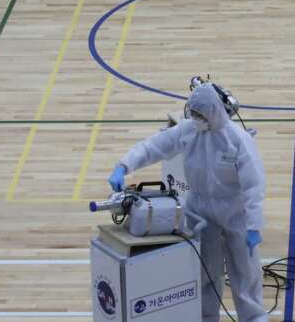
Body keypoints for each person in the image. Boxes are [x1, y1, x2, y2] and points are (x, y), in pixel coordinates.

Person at [108, 84, 267, 322]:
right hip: (200, 208)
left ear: (213, 112)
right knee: (206, 269)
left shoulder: (238, 140)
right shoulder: (188, 130)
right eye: (193, 113)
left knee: (245, 269)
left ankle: (253, 317)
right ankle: (206, 316)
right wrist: (123, 166)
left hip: (235, 210)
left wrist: (254, 226)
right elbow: (153, 147)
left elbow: (254, 186)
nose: (196, 119)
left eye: (200, 115)